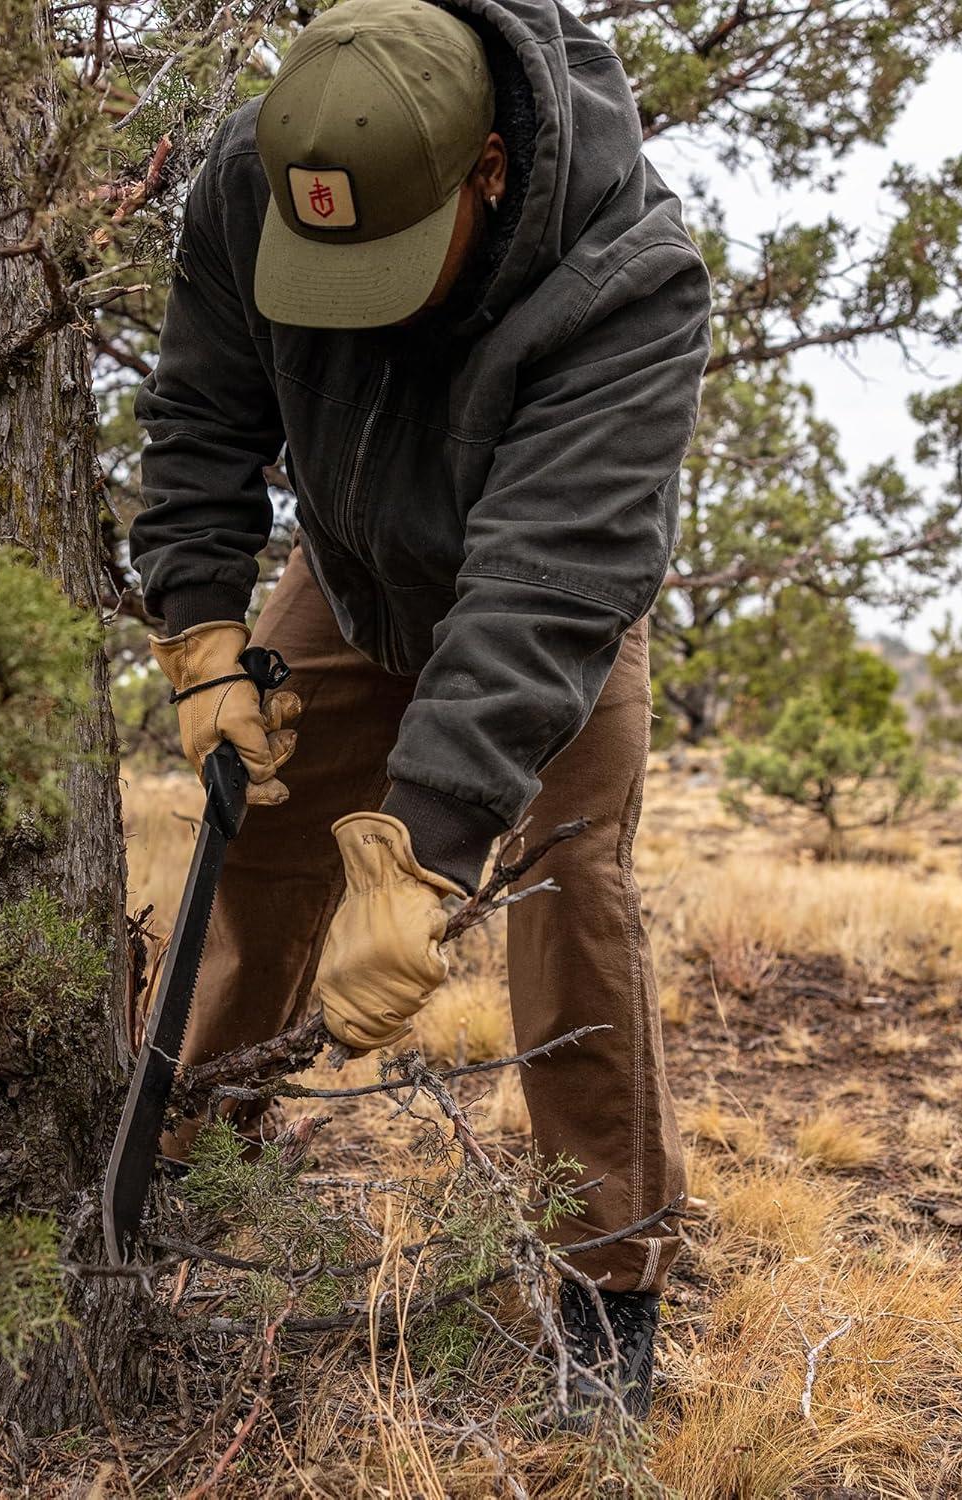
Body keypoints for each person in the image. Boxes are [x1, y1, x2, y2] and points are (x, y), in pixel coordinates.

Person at [127, 0, 711, 1424]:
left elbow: (545, 589)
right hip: (348, 573)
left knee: (566, 889)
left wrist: (425, 849)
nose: (351, 298)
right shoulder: (257, 174)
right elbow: (202, 415)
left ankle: (607, 1290)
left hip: (547, 601)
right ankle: (172, 1183)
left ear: (488, 171)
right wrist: (202, 631)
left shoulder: (630, 274)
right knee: (253, 843)